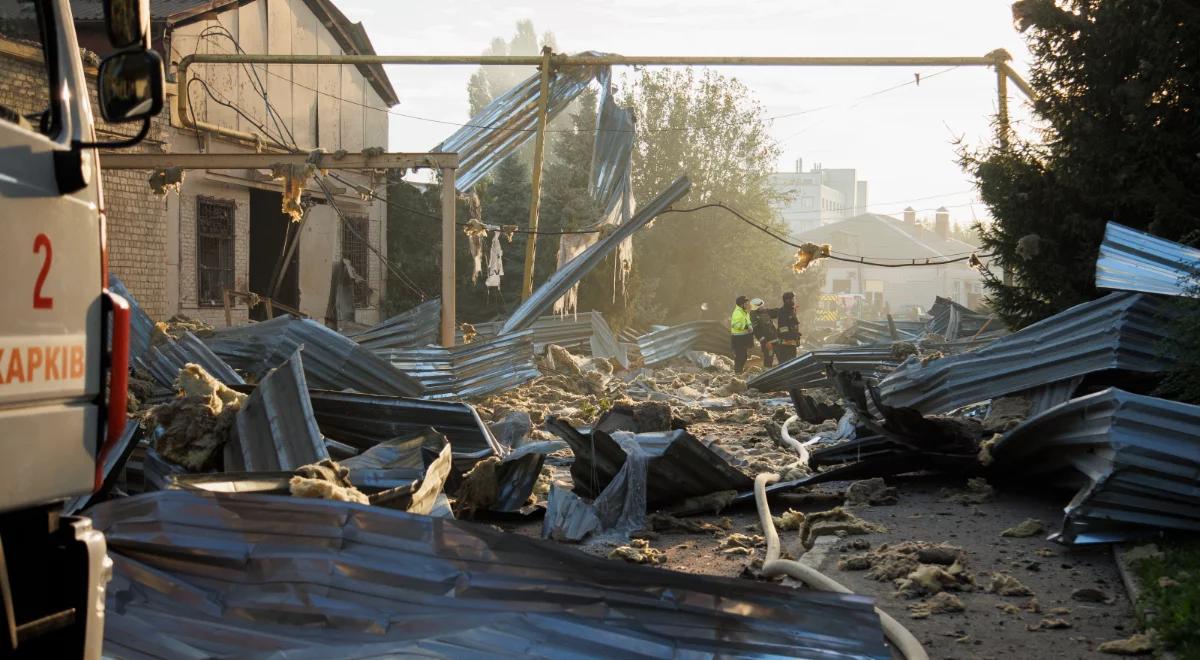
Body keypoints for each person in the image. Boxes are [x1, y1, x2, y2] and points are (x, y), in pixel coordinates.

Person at [772, 291, 802, 364]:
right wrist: (788, 339)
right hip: (786, 344)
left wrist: (797, 337)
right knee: (785, 364)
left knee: (792, 364)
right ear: (787, 300)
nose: (794, 301)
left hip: (792, 343)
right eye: (793, 299)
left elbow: (794, 325)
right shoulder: (782, 312)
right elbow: (783, 329)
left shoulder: (792, 310)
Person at [749, 297, 778, 368]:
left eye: (762, 305)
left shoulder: (765, 312)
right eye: (761, 306)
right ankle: (767, 372)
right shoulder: (753, 316)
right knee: (768, 358)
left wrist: (787, 309)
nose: (763, 307)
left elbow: (775, 312)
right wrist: (765, 342)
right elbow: (756, 331)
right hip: (767, 342)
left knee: (781, 356)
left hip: (775, 339)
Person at [730, 295, 755, 374]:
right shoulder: (737, 312)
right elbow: (735, 325)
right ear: (741, 304)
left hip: (743, 338)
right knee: (740, 357)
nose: (747, 304)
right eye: (746, 303)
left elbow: (748, 322)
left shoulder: (744, 312)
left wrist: (751, 326)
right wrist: (746, 327)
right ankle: (738, 372)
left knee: (744, 357)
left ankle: (739, 371)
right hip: (738, 339)